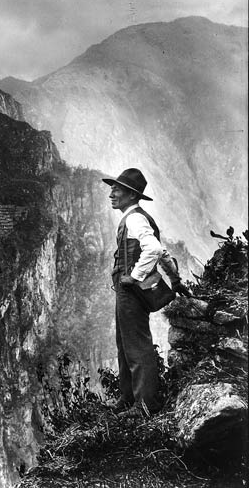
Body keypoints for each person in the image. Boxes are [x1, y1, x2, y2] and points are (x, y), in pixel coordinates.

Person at [103, 168, 189, 416]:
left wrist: (135, 276)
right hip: (127, 289)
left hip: (130, 289)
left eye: (116, 189)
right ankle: (128, 397)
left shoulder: (134, 218)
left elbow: (151, 248)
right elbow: (161, 252)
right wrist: (174, 279)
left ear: (131, 195)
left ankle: (144, 406)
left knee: (136, 345)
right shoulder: (135, 216)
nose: (111, 193)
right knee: (125, 342)